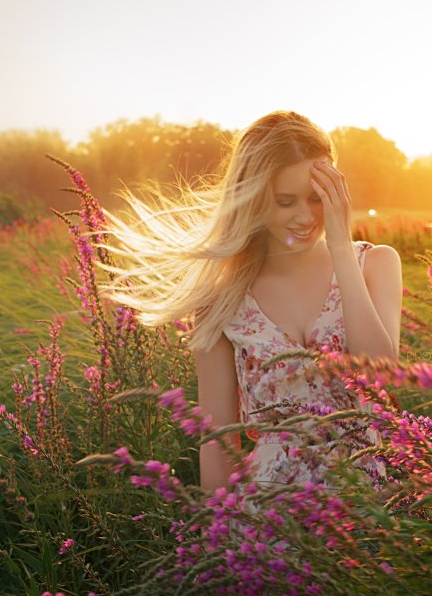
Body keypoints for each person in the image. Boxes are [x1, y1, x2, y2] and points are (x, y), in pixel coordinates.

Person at [96, 110, 403, 492]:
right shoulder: (222, 298)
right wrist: (220, 542)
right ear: (254, 199)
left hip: (365, 510)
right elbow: (220, 440)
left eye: (316, 198)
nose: (305, 216)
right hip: (270, 521)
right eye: (285, 201)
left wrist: (340, 246)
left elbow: (380, 376)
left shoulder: (375, 264)